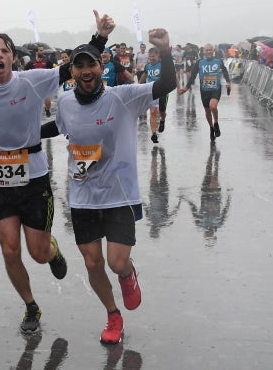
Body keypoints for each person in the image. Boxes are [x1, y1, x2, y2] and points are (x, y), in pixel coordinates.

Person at [0, 18, 114, 333]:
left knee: (37, 253)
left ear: (12, 57)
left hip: (34, 177)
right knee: (10, 249)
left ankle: (51, 250)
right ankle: (30, 306)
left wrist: (101, 37)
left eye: (4, 50)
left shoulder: (32, 81)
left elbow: (74, 68)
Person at [44, 26, 176, 344]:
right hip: (83, 195)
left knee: (116, 263)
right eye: (79, 66)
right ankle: (112, 315)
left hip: (120, 194)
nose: (86, 71)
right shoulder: (65, 103)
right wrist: (21, 137)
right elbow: (57, 128)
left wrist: (167, 51)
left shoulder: (124, 97)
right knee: (92, 262)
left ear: (101, 68)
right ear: (72, 72)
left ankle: (128, 275)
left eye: (91, 65)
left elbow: (167, 84)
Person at [179, 43, 231, 141]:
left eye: (210, 50)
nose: (209, 52)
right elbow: (193, 75)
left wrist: (228, 82)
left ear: (213, 51)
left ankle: (216, 123)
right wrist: (186, 88)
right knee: (207, 111)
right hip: (204, 90)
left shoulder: (218, 61)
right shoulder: (199, 62)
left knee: (213, 106)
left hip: (216, 89)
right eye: (207, 50)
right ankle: (211, 128)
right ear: (203, 52)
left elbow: (224, 71)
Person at [139, 47, 167, 143]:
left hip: (162, 91)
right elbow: (145, 75)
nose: (151, 58)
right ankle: (154, 134)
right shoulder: (147, 66)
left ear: (158, 56)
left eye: (153, 56)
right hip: (152, 91)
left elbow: (172, 75)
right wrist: (138, 86)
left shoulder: (162, 65)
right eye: (150, 56)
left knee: (161, 111)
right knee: (153, 112)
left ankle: (162, 120)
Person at [25, 46, 53, 116]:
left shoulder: (47, 62)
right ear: (36, 52)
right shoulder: (30, 63)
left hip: (45, 86)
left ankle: (47, 109)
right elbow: (25, 74)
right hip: (35, 86)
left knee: (48, 103)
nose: (42, 52)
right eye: (40, 50)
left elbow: (52, 72)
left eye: (42, 50)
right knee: (35, 103)